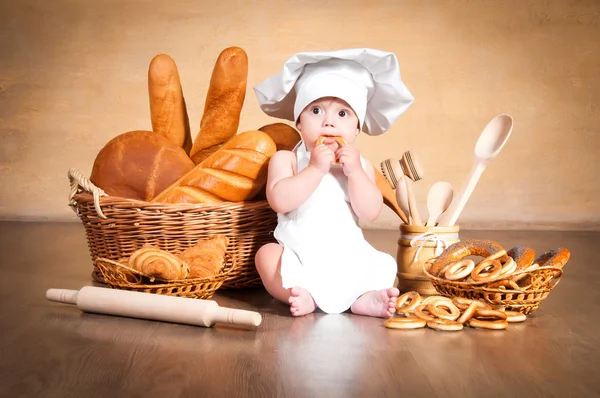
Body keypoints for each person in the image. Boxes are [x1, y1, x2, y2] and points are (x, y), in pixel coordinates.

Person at [252, 48, 414, 318]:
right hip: (299, 254)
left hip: (347, 255)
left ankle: (364, 298)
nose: (328, 122)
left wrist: (357, 175)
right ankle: (301, 293)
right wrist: (315, 169)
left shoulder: (359, 165)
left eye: (343, 114)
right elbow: (279, 200)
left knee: (380, 265)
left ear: (356, 129)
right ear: (299, 124)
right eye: (316, 111)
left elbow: (370, 211)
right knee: (266, 256)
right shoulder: (288, 159)